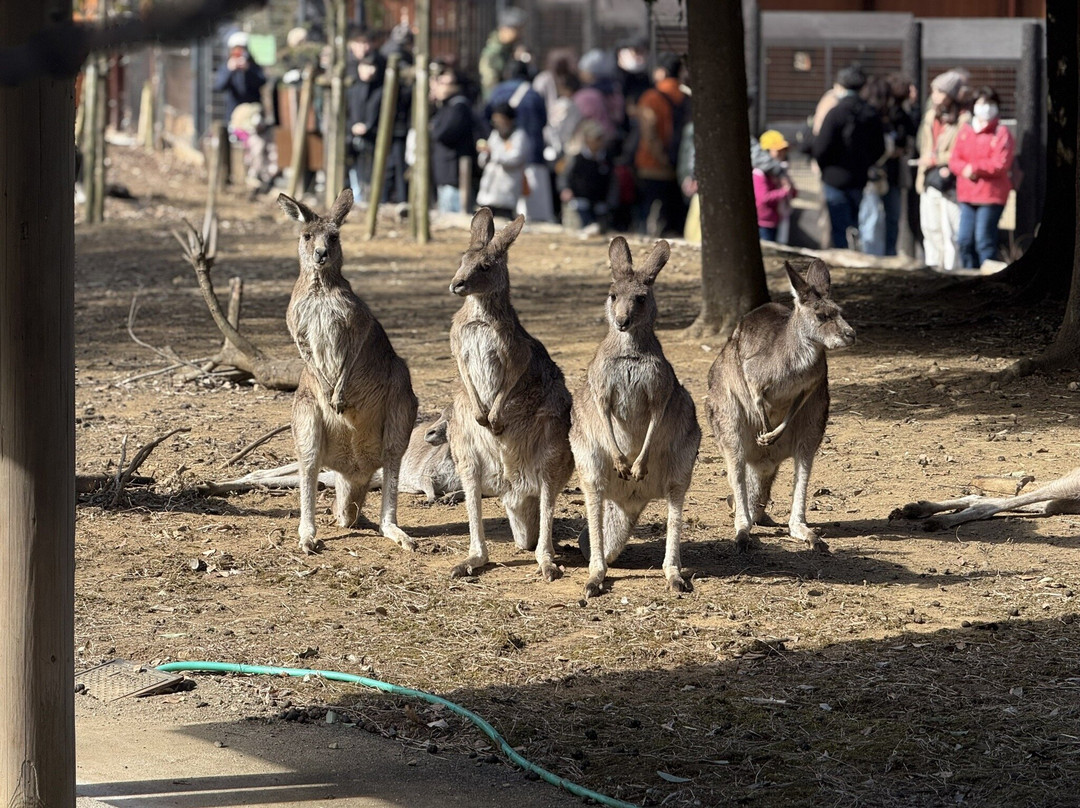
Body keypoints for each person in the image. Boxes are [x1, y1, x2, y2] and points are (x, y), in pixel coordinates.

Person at [811, 64, 885, 250]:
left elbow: (821, 147)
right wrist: (866, 163)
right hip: (859, 177)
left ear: (840, 86)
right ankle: (856, 250)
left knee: (838, 227)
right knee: (856, 222)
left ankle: (841, 258)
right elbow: (879, 148)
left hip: (833, 178)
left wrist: (825, 167)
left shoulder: (835, 113)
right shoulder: (870, 113)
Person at [949, 86, 1015, 269]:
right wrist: (964, 169)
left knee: (983, 240)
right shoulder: (965, 131)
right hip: (967, 194)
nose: (986, 107)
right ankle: (969, 277)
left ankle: (988, 279)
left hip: (991, 195)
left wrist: (975, 168)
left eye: (990, 103)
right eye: (981, 103)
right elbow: (954, 159)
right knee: (964, 240)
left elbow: (1001, 163)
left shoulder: (1002, 133)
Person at [916, 69, 969, 270]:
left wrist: (935, 159)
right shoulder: (931, 115)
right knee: (930, 228)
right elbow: (924, 144)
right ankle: (932, 269)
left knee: (950, 231)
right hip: (928, 179)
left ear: (950, 94)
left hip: (950, 183)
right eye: (934, 90)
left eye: (939, 91)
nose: (934, 95)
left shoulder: (963, 119)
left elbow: (960, 152)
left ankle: (951, 271)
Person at [488, 60, 553, 222]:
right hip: (532, 152)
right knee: (533, 205)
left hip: (502, 151)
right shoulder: (533, 94)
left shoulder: (497, 91)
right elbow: (543, 120)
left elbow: (486, 116)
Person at [634, 54, 689, 236]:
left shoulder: (650, 97)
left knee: (647, 210)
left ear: (661, 72)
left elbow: (649, 133)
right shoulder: (687, 97)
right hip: (679, 166)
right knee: (671, 217)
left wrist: (661, 158)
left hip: (651, 165)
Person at [430, 67, 477, 213]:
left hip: (454, 173)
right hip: (444, 172)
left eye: (444, 83)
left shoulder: (459, 107)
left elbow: (443, 133)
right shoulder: (446, 106)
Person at [558, 120, 617, 232]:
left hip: (600, 204)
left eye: (600, 138)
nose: (598, 142)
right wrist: (565, 189)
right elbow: (564, 176)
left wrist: (611, 202)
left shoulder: (606, 159)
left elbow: (612, 182)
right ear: (587, 139)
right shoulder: (576, 158)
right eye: (595, 138)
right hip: (580, 202)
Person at [476, 103, 529, 220]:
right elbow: (482, 161)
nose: (497, 124)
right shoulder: (495, 135)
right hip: (487, 193)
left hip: (506, 195)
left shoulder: (519, 136)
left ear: (509, 120)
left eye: (500, 120)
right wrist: (485, 153)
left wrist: (493, 153)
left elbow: (515, 159)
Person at [345, 50, 385, 205]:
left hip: (374, 139)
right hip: (353, 140)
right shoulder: (352, 89)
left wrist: (368, 127)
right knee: (355, 175)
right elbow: (345, 113)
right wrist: (352, 127)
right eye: (366, 66)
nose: (370, 70)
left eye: (372, 66)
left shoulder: (381, 90)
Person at [214, 31, 266, 126]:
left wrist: (248, 70)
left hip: (253, 112)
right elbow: (219, 86)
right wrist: (229, 71)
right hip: (233, 113)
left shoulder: (253, 66)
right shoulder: (226, 67)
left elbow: (262, 82)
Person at [753, 130, 797, 242]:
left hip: (778, 219)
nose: (782, 154)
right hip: (764, 221)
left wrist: (791, 188)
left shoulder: (781, 171)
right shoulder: (759, 174)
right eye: (778, 151)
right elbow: (763, 197)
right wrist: (784, 192)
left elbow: (793, 193)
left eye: (783, 151)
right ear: (765, 152)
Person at [479, 7, 526, 100]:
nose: (520, 33)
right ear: (504, 29)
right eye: (517, 29)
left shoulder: (510, 48)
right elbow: (490, 85)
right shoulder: (493, 53)